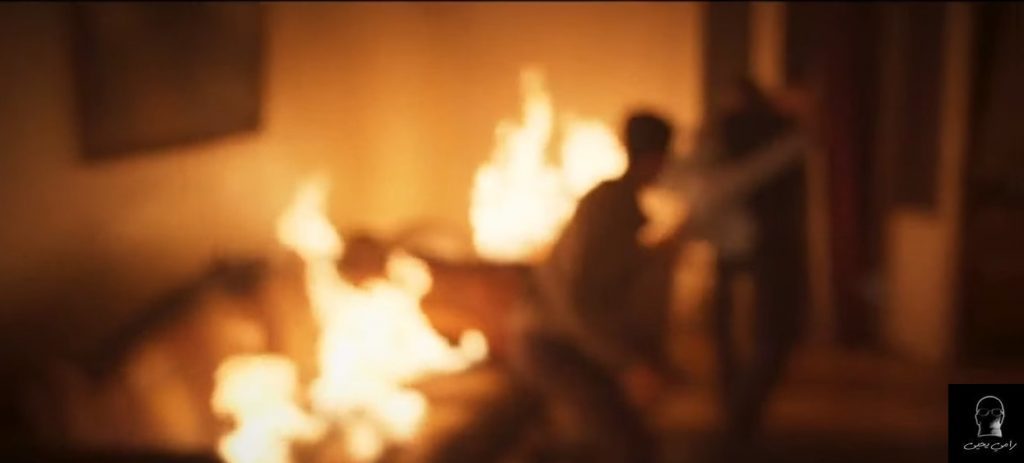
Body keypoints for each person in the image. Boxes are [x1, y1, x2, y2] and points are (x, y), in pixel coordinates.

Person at [507, 110, 684, 463]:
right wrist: (629, 365)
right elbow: (578, 304)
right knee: (628, 447)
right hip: (551, 343)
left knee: (609, 440)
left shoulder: (620, 208)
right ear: (657, 158)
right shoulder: (607, 209)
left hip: (561, 342)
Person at [706, 77, 809, 444]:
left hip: (744, 248)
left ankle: (737, 412)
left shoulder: (725, 134)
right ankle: (741, 415)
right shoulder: (780, 134)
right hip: (768, 248)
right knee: (767, 336)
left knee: (737, 337)